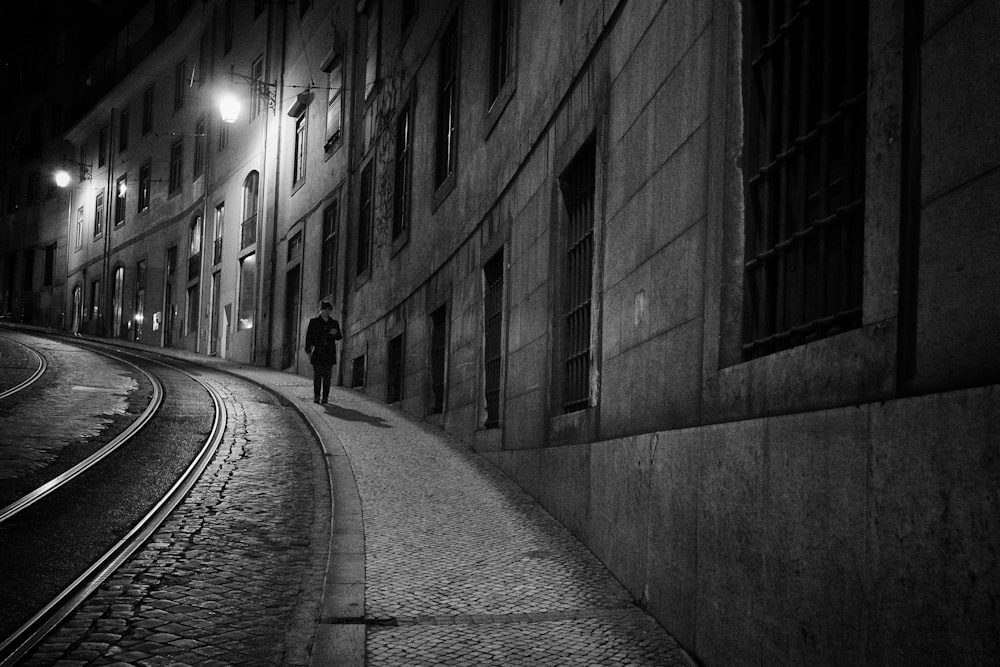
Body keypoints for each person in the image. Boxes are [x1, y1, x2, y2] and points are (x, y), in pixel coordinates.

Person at [304, 301, 343, 404]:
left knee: (327, 377)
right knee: (317, 376)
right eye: (325, 310)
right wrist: (308, 351)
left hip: (329, 353)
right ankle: (317, 396)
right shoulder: (314, 322)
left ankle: (325, 397)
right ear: (321, 310)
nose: (327, 312)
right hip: (317, 353)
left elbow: (339, 336)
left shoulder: (334, 323)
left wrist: (335, 333)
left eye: (329, 310)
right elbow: (309, 337)